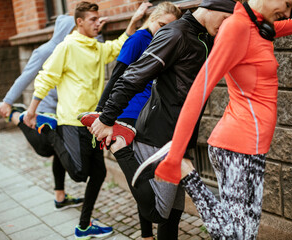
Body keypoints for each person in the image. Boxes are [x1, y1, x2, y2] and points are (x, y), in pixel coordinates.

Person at [148, 0, 292, 239]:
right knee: (236, 236)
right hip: (237, 148)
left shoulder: (260, 27)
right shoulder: (237, 28)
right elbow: (199, 90)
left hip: (251, 148)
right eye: (287, 3)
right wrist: (175, 157)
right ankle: (188, 174)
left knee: (246, 232)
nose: (288, 12)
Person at [87, 0, 236, 238]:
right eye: (227, 18)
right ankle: (120, 148)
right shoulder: (175, 33)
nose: (229, 25)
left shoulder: (206, 36)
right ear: (213, 6)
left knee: (172, 216)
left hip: (182, 135)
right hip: (158, 135)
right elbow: (130, 77)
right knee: (158, 212)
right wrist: (106, 118)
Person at [22, 1, 150, 239]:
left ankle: (83, 226)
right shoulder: (67, 46)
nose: (98, 22)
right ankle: (49, 130)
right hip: (71, 119)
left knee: (99, 173)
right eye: (92, 19)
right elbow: (46, 76)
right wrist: (32, 110)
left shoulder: (94, 47)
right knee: (80, 173)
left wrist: (134, 20)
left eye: (97, 18)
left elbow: (117, 47)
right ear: (79, 22)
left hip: (93, 122)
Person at [0, 14, 105, 210]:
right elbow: (25, 77)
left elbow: (97, 54)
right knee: (45, 148)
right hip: (47, 111)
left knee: (60, 153)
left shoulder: (80, 47)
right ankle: (16, 115)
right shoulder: (48, 51)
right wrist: (8, 101)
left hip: (66, 113)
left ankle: (60, 197)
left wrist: (99, 31)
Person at [94, 2, 181, 239]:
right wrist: (102, 115)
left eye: (168, 28)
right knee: (143, 180)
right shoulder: (138, 39)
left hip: (149, 112)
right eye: (161, 24)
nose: (163, 30)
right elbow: (117, 76)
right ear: (152, 18)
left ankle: (146, 235)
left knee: (147, 181)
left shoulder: (163, 40)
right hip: (132, 114)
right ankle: (146, 235)